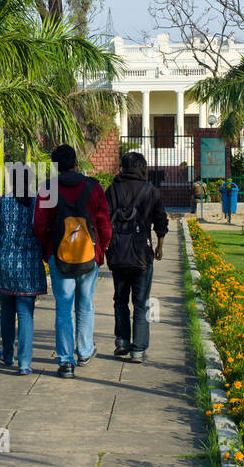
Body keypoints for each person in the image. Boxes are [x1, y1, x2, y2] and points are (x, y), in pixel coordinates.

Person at [33, 144, 111, 378]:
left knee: (64, 308)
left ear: (55, 166)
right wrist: (101, 251)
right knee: (85, 305)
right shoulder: (93, 187)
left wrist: (50, 250)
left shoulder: (48, 188)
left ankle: (66, 361)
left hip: (60, 257)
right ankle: (85, 351)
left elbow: (38, 225)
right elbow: (104, 224)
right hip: (89, 256)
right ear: (76, 163)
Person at [105, 152, 168, 363]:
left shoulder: (112, 189)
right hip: (142, 254)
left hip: (118, 254)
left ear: (123, 168)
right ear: (142, 168)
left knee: (120, 299)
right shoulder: (152, 191)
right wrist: (159, 247)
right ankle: (138, 349)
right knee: (141, 303)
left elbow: (104, 220)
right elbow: (161, 222)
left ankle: (122, 341)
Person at [0, 165, 46, 376]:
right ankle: (24, 363)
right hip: (29, 266)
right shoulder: (36, 204)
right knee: (25, 314)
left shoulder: (1, 203)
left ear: (13, 182)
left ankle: (7, 354)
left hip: (5, 264)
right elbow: (42, 230)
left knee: (6, 311)